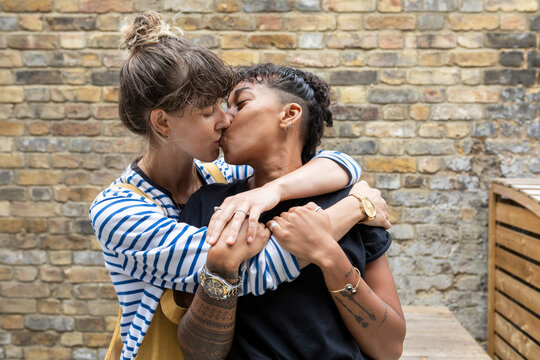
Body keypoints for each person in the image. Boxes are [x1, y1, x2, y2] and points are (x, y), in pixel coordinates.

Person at [89, 11, 390, 360]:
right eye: (207, 112)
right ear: (163, 123)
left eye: (225, 104)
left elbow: (339, 163)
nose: (225, 118)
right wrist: (354, 208)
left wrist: (271, 191)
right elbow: (252, 272)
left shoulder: (220, 177)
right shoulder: (119, 211)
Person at [176, 64, 406, 359]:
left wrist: (327, 253)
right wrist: (222, 271)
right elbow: (198, 353)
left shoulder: (354, 205)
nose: (223, 120)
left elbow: (389, 348)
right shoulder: (210, 206)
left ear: (289, 115)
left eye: (239, 104)